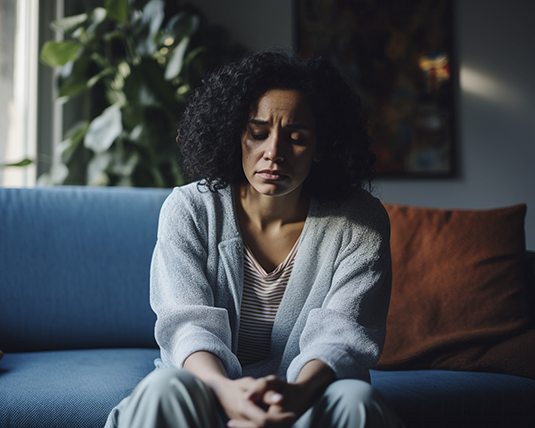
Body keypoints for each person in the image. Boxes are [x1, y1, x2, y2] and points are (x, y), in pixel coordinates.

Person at [104, 50, 401, 428]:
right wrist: (224, 391)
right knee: (165, 386)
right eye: (258, 134)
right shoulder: (190, 209)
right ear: (234, 134)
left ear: (322, 147)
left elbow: (344, 334)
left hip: (306, 401)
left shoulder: (360, 221)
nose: (273, 153)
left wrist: (296, 394)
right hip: (207, 391)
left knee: (355, 399)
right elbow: (186, 326)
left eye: (296, 138)